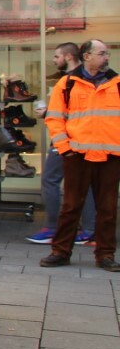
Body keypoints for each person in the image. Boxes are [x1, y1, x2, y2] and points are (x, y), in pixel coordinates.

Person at [40, 39, 120, 272]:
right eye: (102, 53)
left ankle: (105, 255)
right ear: (87, 56)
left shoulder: (117, 83)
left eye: (106, 53)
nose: (106, 57)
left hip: (110, 156)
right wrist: (65, 148)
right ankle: (60, 252)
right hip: (77, 155)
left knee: (108, 209)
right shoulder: (67, 84)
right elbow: (54, 118)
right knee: (71, 206)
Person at [28, 42, 95, 245]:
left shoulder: (71, 81)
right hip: (80, 140)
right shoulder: (85, 79)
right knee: (84, 184)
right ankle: (88, 229)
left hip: (66, 140)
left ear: (68, 57)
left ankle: (53, 228)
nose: (54, 60)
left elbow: (74, 112)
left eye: (57, 56)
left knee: (50, 180)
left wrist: (48, 114)